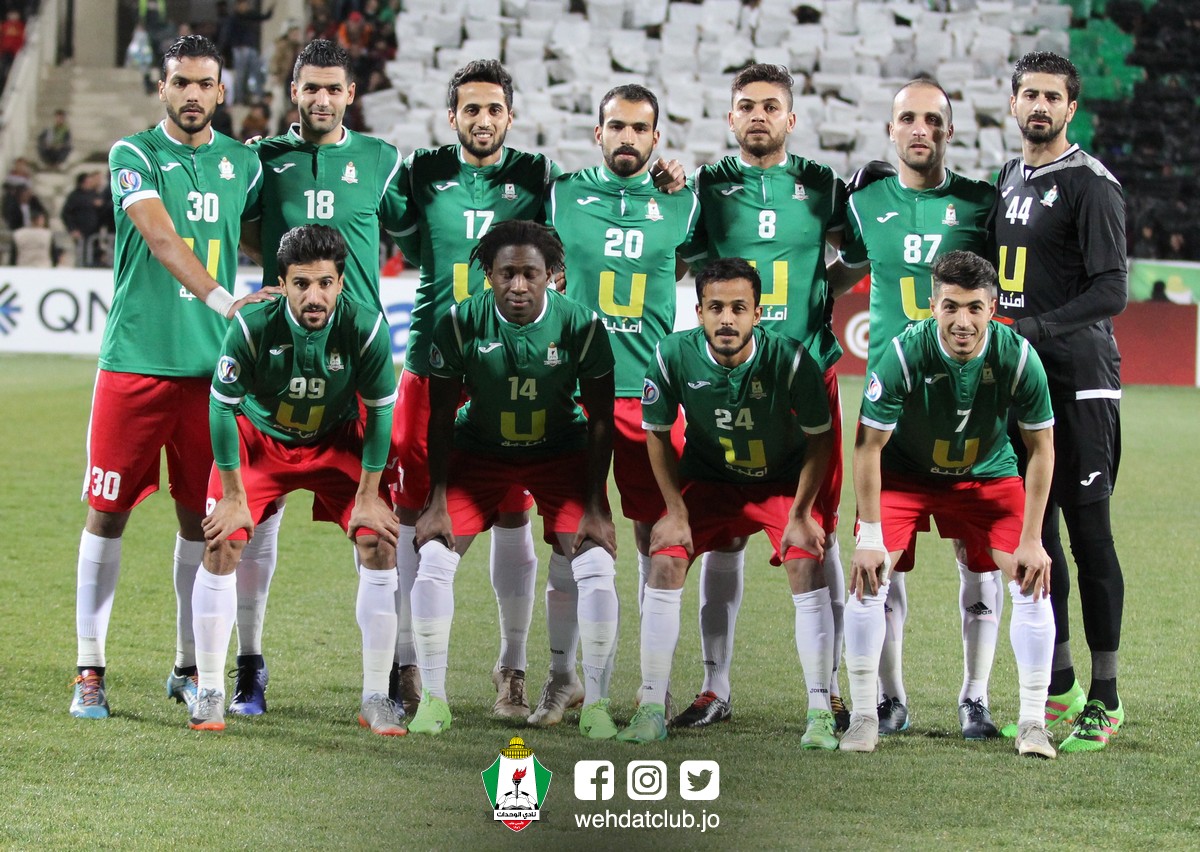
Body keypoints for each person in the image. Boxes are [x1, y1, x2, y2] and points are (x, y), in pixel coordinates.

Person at [69, 35, 272, 720]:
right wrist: (226, 301)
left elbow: (264, 236)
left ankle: (187, 666)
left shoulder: (243, 163)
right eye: (180, 82)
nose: (192, 94)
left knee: (201, 521)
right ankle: (90, 669)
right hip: (134, 364)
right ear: (162, 88)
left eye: (204, 83)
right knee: (107, 513)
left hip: (212, 375)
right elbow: (159, 238)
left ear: (222, 91)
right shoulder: (133, 154)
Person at [232, 38, 408, 718]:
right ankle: (249, 667)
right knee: (256, 522)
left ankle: (385, 678)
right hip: (278, 358)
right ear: (293, 92)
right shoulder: (262, 160)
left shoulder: (381, 159)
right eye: (311, 88)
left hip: (357, 365)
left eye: (334, 88)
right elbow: (242, 228)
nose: (322, 99)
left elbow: (417, 231)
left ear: (351, 94)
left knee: (376, 526)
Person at [677, 62, 849, 732]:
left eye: (771, 106)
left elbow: (857, 257)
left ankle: (829, 689)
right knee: (724, 534)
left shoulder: (822, 184)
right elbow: (681, 259)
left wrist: (816, 289)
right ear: (731, 118)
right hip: (729, 377)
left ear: (791, 119)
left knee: (818, 533)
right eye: (747, 106)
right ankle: (714, 687)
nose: (758, 116)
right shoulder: (710, 185)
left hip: (805, 378)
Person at [834, 79, 1001, 739]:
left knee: (978, 558)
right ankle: (891, 699)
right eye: (908, 118)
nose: (920, 130)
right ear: (891, 128)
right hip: (891, 411)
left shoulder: (981, 204)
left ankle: (975, 699)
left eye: (933, 120)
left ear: (949, 132)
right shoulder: (865, 202)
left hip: (968, 406)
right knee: (882, 557)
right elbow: (840, 271)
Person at [841, 250, 1057, 759]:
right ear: (933, 305)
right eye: (951, 307)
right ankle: (869, 713)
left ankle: (1029, 723)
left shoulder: (1018, 356)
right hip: (906, 476)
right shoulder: (902, 354)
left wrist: (1032, 538)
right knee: (870, 576)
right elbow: (867, 447)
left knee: (1031, 579)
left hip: (986, 475)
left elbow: (1042, 448)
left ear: (992, 308)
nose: (963, 321)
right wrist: (869, 537)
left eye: (975, 308)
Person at [407, 220, 619, 738]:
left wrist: (596, 504)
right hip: (479, 451)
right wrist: (436, 498)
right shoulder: (459, 323)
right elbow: (440, 415)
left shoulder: (582, 326)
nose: (518, 286)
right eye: (507, 274)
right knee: (434, 557)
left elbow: (599, 419)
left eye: (530, 274)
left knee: (593, 562)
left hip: (559, 451)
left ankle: (590, 699)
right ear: (489, 275)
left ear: (552, 275)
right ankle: (433, 700)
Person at [189, 224, 401, 734]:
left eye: (325, 283)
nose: (314, 296)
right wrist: (234, 495)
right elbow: (221, 407)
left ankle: (377, 697)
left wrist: (369, 496)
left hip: (334, 442)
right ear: (281, 283)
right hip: (260, 441)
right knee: (222, 541)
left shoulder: (366, 326)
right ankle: (210, 691)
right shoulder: (252, 325)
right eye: (301, 284)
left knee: (379, 542)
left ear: (341, 283)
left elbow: (380, 412)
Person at [618, 257, 834, 744]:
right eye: (715, 308)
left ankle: (820, 710)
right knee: (665, 557)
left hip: (779, 484)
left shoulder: (791, 358)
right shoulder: (672, 354)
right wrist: (675, 510)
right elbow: (656, 432)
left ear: (758, 313)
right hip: (710, 481)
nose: (727, 319)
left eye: (739, 308)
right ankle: (651, 706)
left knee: (806, 559)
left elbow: (821, 437)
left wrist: (802, 513)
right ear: (699, 312)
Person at [545, 83, 699, 719]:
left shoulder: (683, 203)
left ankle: (652, 686)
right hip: (576, 393)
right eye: (617, 126)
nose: (628, 138)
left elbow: (696, 265)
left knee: (655, 534)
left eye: (640, 128)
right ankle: (567, 679)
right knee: (569, 534)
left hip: (649, 395)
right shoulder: (561, 194)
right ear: (598, 133)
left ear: (656, 138)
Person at [991, 52, 1128, 752]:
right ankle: (1061, 682)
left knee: (1089, 535)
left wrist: (1036, 330)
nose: (1040, 106)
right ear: (1013, 103)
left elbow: (1112, 289)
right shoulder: (1007, 178)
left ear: (1071, 109)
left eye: (1053, 96)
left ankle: (1106, 698)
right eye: (1030, 94)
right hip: (1023, 381)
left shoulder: (1091, 184)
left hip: (1080, 380)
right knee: (1037, 537)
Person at [62, 172, 112, 267]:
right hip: (81, 232)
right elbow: (66, 214)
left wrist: (101, 205)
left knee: (95, 254)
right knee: (83, 254)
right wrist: (72, 229)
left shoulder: (94, 194)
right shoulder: (75, 196)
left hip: (95, 232)